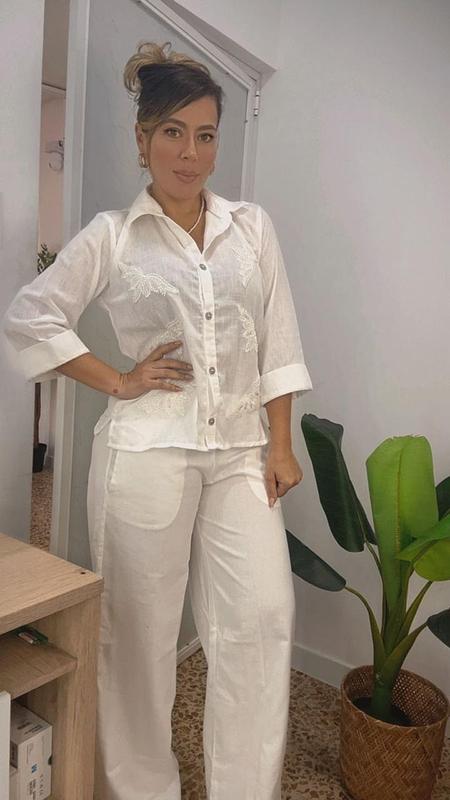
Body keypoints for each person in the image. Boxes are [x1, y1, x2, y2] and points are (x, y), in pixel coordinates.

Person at [2, 41, 313, 800]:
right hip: (145, 453)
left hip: (241, 451)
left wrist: (280, 443)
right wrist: (117, 380)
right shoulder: (113, 234)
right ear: (143, 139)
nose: (190, 152)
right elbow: (31, 316)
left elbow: (278, 339)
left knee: (262, 620)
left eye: (206, 135)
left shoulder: (251, 228)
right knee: (137, 636)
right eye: (173, 132)